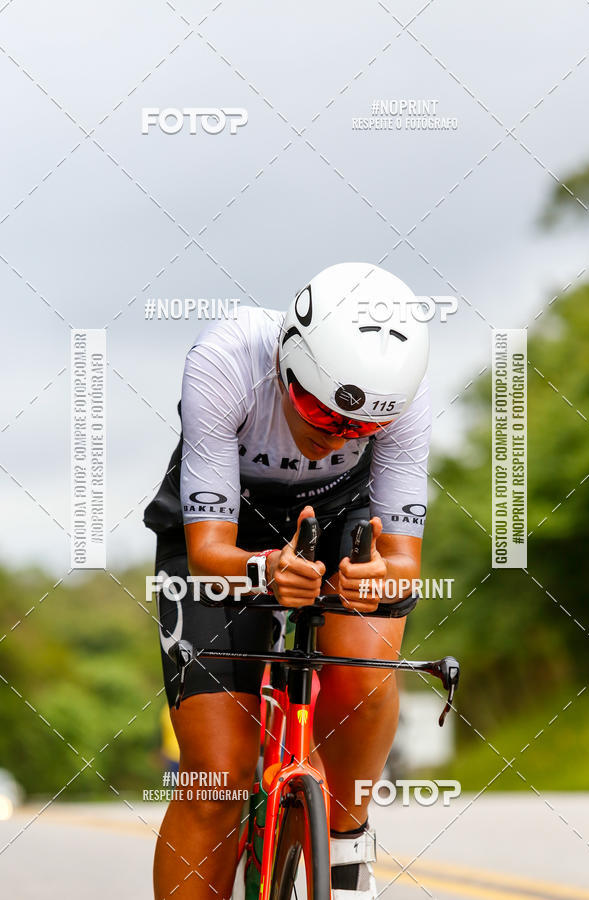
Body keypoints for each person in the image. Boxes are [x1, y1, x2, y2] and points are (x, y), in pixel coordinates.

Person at [144, 262, 431, 900]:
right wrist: (264, 569)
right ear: (286, 362)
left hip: (346, 515)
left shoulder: (405, 393)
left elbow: (406, 563)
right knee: (215, 782)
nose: (334, 437)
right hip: (229, 525)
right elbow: (209, 548)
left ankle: (349, 846)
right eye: (317, 410)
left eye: (360, 430)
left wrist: (377, 580)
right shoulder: (227, 360)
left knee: (362, 675)